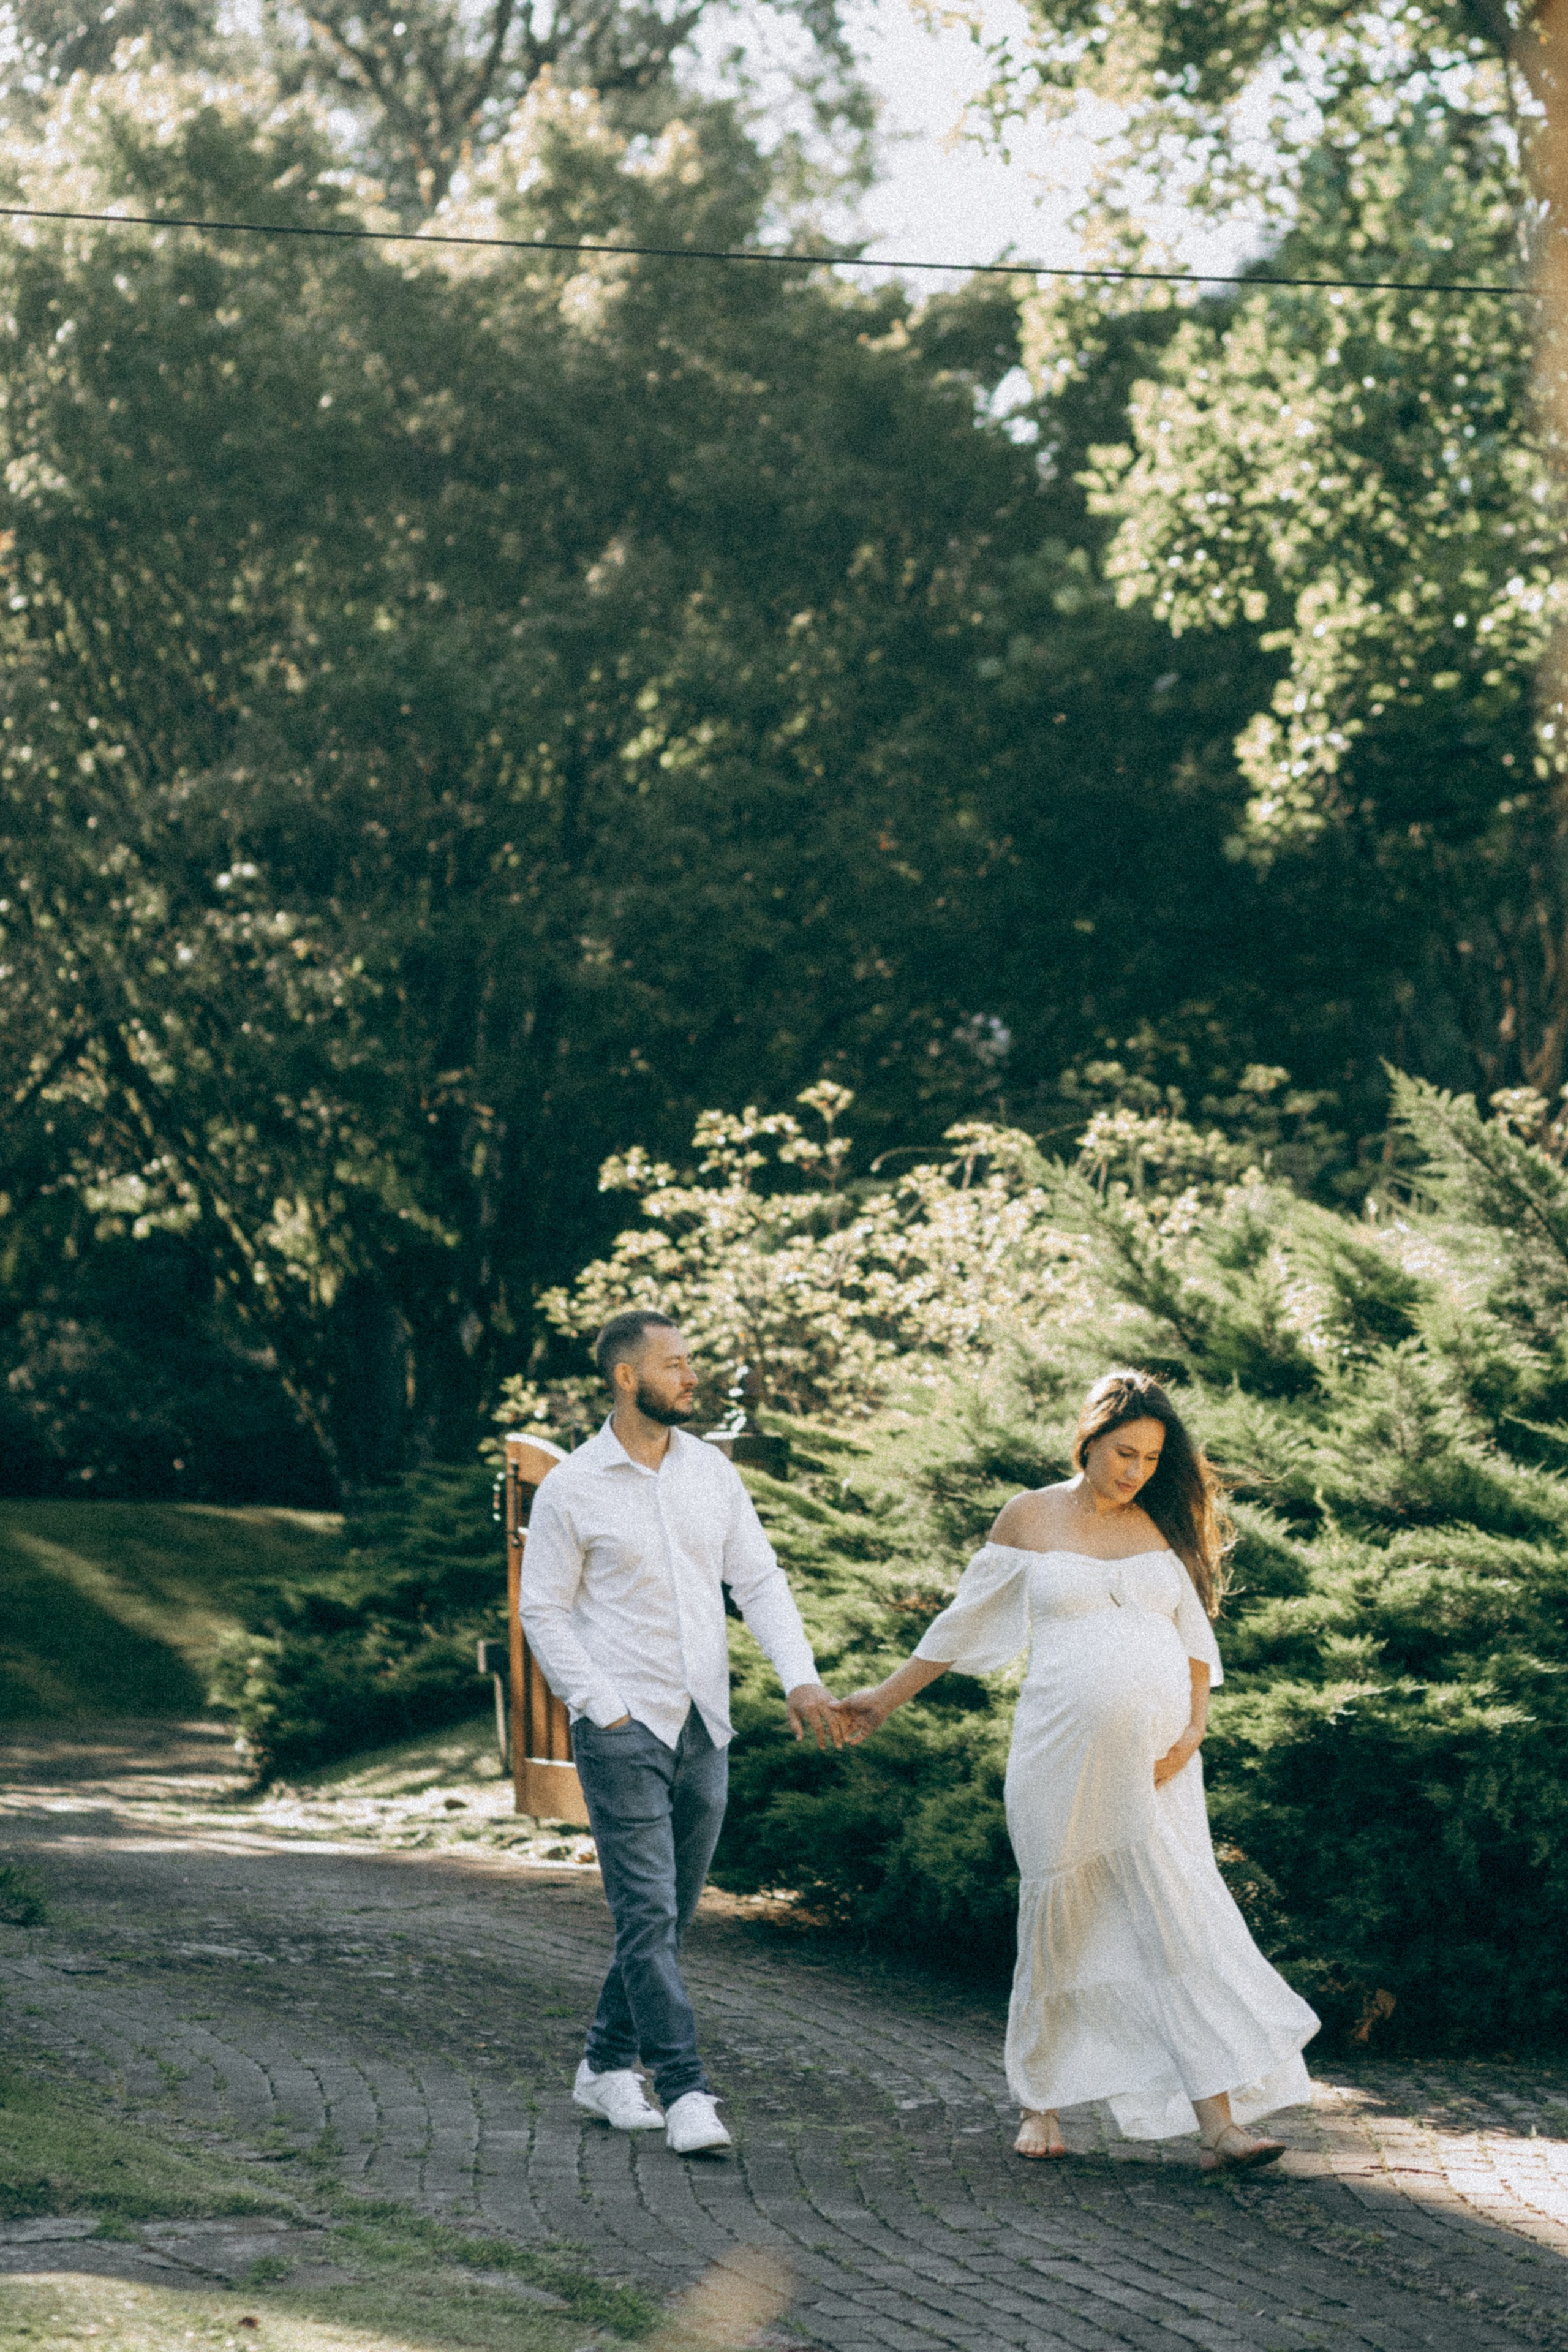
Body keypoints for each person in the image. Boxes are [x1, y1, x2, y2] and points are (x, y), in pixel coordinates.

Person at [833, 1367, 1319, 2171]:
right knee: (1063, 1921)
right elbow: (960, 1626)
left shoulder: (1158, 1529)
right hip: (1059, 1754)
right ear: (1088, 1439)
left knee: (1176, 1923)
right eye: (1125, 1452)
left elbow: (1195, 1638)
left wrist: (1195, 1726)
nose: (1136, 1472)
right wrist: (883, 1700)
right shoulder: (1029, 1516)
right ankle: (1040, 2103)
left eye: (1153, 1460)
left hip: (1159, 1767)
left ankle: (1221, 2127)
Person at [519, 1309, 843, 2157]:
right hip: (624, 1726)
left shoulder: (711, 1475)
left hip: (706, 1724)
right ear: (626, 1378)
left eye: (691, 1361)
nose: (691, 1376)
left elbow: (761, 1582)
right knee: (649, 1912)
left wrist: (800, 1677)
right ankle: (687, 2088)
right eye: (674, 1364)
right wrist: (599, 1703)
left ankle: (602, 2064)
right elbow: (542, 1609)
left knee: (665, 1917)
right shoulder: (575, 1486)